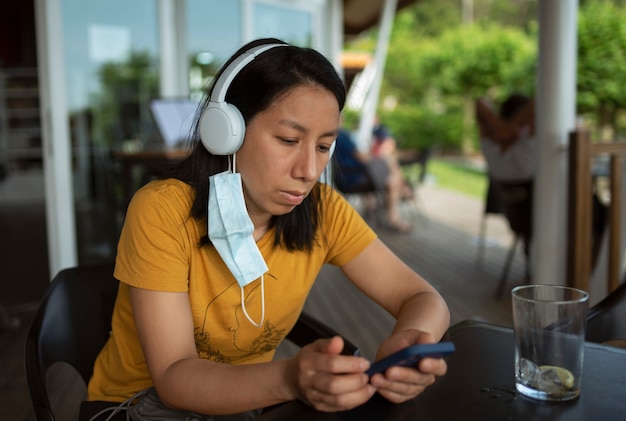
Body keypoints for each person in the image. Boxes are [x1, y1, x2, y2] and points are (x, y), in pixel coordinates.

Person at [81, 38, 450, 420]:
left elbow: (422, 297)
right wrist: (290, 379)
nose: (308, 171)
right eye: (289, 140)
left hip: (237, 407)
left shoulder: (323, 212)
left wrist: (412, 341)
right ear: (227, 133)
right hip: (134, 404)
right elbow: (174, 378)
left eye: (324, 147)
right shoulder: (163, 210)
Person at [475, 94, 535, 259]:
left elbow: (481, 103)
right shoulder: (528, 148)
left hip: (515, 220)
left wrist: (504, 126)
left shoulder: (490, 148)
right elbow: (539, 101)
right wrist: (513, 126)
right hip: (539, 222)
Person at [333, 127, 413, 232]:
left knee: (391, 171)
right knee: (392, 178)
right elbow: (361, 157)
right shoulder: (341, 135)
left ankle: (400, 190)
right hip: (352, 178)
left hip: (347, 176)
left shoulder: (335, 135)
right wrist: (378, 158)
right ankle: (394, 217)